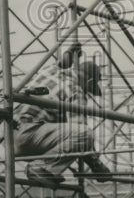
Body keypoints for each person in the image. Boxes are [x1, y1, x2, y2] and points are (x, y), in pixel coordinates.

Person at [14, 46, 112, 184]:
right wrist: (98, 167)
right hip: (30, 136)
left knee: (70, 134)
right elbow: (81, 136)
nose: (88, 93)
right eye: (90, 89)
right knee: (85, 134)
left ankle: (44, 167)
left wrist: (70, 52)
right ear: (89, 82)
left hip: (9, 135)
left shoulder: (50, 71)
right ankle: (42, 167)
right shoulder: (75, 90)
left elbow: (62, 62)